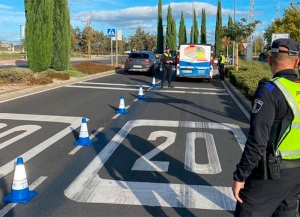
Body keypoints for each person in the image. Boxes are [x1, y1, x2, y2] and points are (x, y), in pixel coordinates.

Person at [232, 38, 300, 217]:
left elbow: (257, 141)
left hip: (272, 174)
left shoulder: (269, 91)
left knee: (247, 211)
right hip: (296, 177)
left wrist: (241, 175)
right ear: (297, 62)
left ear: (270, 60)